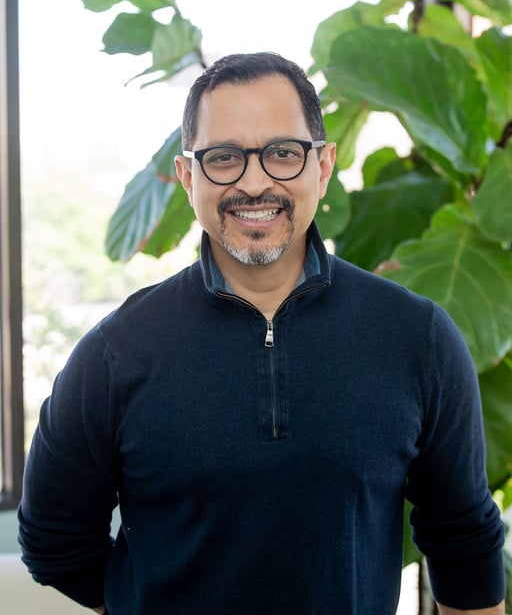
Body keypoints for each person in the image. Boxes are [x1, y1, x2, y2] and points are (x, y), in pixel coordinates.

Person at [18, 52, 505, 615]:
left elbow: (464, 546)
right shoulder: (115, 353)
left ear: (322, 166)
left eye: (283, 153)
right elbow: (53, 540)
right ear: (188, 177)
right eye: (224, 157)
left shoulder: (418, 338)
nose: (254, 182)